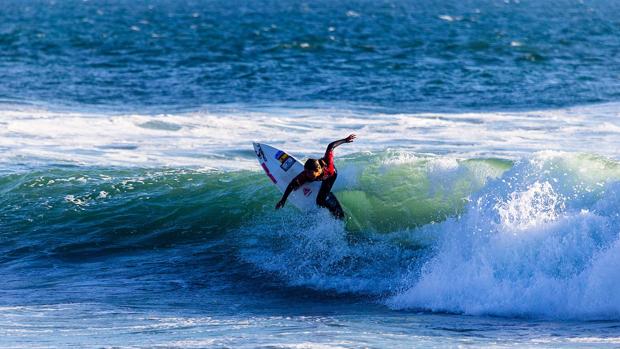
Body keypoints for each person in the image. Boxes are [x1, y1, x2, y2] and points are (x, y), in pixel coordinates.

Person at [275, 134, 356, 219]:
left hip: (330, 176)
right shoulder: (307, 174)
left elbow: (331, 146)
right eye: (306, 171)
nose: (307, 174)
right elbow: (292, 184)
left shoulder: (328, 162)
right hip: (318, 175)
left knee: (320, 201)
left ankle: (333, 206)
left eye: (310, 173)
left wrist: (345, 140)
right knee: (298, 182)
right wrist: (283, 200)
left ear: (318, 170)